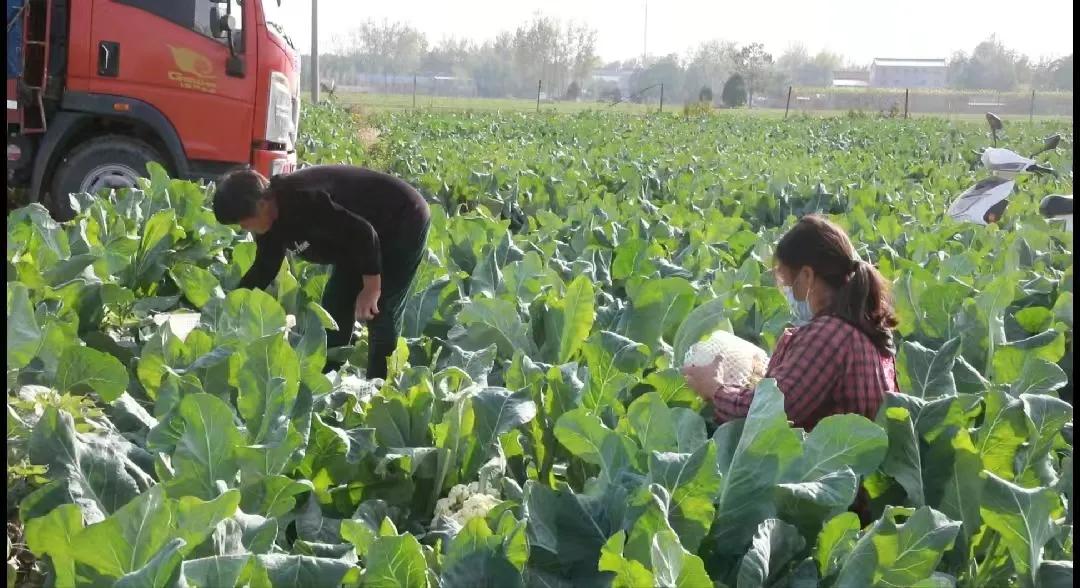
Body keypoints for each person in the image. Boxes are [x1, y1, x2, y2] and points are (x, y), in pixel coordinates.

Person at [682, 214, 898, 525]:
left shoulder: (828, 336)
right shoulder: (866, 327)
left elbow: (769, 416)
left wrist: (714, 389)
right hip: (852, 499)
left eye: (786, 281)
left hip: (826, 508)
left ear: (807, 277)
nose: (786, 292)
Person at [212, 165, 431, 380]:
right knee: (336, 301)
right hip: (356, 241)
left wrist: (372, 287)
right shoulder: (270, 223)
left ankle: (381, 386)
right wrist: (233, 303)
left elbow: (362, 233)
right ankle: (328, 375)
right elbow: (265, 268)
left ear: (261, 204)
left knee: (381, 309)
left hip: (401, 218)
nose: (243, 228)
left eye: (242, 222)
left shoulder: (304, 199)